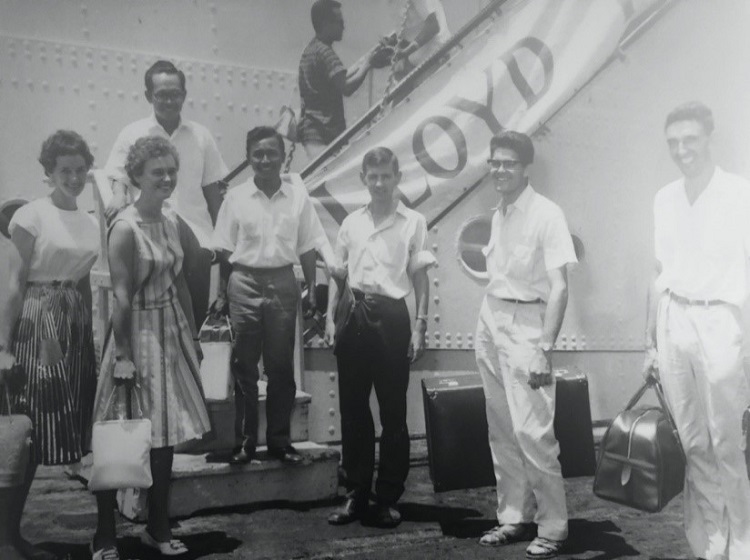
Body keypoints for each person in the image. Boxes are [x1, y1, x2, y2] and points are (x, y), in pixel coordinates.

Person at [90, 136, 211, 560]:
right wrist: (123, 356)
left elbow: (180, 283)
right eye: (157, 172)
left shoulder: (172, 220)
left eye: (171, 170)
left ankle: (158, 525)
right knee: (116, 433)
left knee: (164, 438)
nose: (166, 178)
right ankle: (105, 534)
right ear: (136, 176)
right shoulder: (125, 228)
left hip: (170, 332)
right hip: (135, 335)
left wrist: (193, 337)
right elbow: (122, 298)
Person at [644, 101, 750, 560]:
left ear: (710, 138)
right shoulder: (664, 198)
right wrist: (649, 343)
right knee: (693, 441)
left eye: (690, 139)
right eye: (673, 142)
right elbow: (658, 272)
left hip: (721, 320)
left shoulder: (740, 194)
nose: (682, 149)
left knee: (727, 440)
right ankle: (712, 540)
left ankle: (743, 542)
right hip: (673, 319)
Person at [474, 131, 576, 558]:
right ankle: (513, 516)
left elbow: (559, 287)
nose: (500, 170)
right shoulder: (500, 211)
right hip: (491, 319)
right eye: (495, 162)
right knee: (502, 429)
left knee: (532, 431)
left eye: (509, 163)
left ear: (526, 167)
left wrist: (544, 348)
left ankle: (553, 526)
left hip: (527, 325)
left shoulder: (546, 214)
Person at [0, 130, 98, 560]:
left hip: (73, 320)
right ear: (49, 173)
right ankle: (7, 539)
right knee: (29, 430)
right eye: (65, 171)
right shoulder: (32, 216)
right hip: (38, 320)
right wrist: (3, 346)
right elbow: (13, 284)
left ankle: (12, 535)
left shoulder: (91, 222)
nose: (73, 178)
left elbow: (85, 284)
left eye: (80, 170)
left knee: (49, 430)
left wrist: (90, 338)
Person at [324, 147, 434, 528]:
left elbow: (420, 276)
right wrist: (330, 318)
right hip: (354, 315)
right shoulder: (351, 223)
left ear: (397, 178)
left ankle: (387, 497)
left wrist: (420, 325)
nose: (380, 183)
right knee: (354, 410)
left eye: (387, 176)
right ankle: (356, 493)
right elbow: (338, 275)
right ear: (363, 179)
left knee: (392, 412)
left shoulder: (413, 222)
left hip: (391, 318)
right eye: (373, 177)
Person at [213, 126, 333, 466]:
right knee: (244, 366)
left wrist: (311, 290)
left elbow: (307, 246)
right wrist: (223, 293)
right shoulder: (235, 198)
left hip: (283, 282)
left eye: (271, 153)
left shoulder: (298, 197)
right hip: (244, 282)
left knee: (280, 367)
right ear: (249, 157)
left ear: (282, 157)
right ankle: (245, 443)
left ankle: (280, 441)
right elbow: (224, 249)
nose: (265, 160)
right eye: (258, 154)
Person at [104, 59, 229, 327]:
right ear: (149, 95)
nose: (169, 101)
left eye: (175, 94)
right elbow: (118, 174)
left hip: (194, 229)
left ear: (184, 95)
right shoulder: (133, 132)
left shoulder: (201, 136)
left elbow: (212, 190)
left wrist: (223, 234)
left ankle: (193, 335)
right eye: (162, 95)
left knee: (198, 260)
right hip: (149, 227)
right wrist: (118, 194)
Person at [298, 0, 378, 159]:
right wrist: (368, 64)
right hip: (324, 135)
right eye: (339, 22)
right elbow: (346, 87)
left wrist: (365, 60)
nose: (343, 27)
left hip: (312, 133)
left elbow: (338, 78)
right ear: (325, 24)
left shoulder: (312, 49)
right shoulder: (325, 53)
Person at [390, 0, 451, 81]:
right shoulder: (399, 5)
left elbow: (433, 26)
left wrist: (406, 51)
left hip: (437, 58)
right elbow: (409, 33)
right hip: (418, 65)